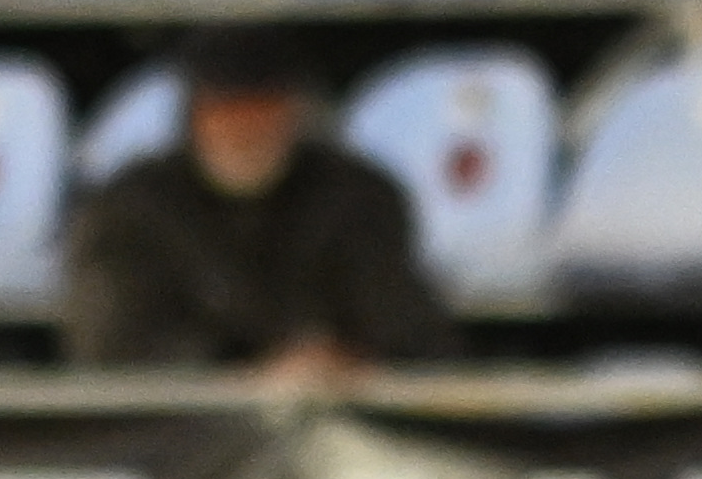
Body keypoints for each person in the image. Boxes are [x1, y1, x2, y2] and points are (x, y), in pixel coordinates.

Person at [61, 30, 456, 382]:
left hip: (339, 419)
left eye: (263, 111)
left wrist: (342, 363)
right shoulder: (131, 209)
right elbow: (116, 346)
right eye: (227, 112)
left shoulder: (356, 196)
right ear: (195, 115)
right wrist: (247, 374)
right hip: (179, 432)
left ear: (294, 112)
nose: (245, 132)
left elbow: (406, 327)